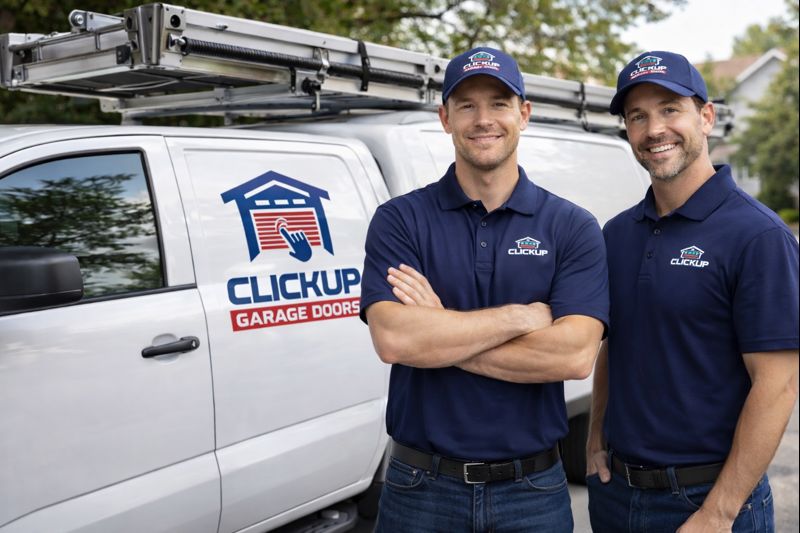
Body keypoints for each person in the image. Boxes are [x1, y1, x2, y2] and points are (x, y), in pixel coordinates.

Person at [359, 46, 608, 532]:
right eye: (466, 104)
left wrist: (438, 330)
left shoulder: (572, 227)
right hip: (420, 488)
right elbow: (395, 341)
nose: (483, 119)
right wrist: (522, 317)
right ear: (445, 118)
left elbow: (573, 357)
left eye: (498, 103)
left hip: (532, 491)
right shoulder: (400, 220)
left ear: (524, 114)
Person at [586, 50, 800, 533]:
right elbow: (612, 345)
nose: (654, 128)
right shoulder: (617, 235)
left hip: (708, 500)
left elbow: (779, 384)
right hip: (615, 496)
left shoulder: (759, 237)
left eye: (669, 109)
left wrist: (718, 513)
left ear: (706, 117)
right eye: (637, 116)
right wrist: (595, 434)